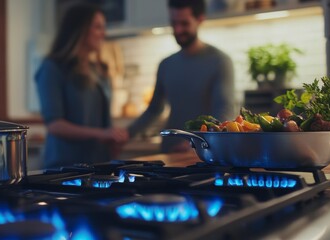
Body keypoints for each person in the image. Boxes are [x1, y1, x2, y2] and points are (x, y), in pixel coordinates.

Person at [128, 0, 235, 153]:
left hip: (204, 152)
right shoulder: (166, 64)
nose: (178, 29)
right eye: (174, 23)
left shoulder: (220, 62)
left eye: (184, 23)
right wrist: (127, 134)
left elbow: (224, 110)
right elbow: (154, 110)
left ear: (200, 19)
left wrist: (195, 142)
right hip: (169, 150)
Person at [35, 3, 129, 168]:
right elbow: (55, 124)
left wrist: (112, 140)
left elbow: (101, 120)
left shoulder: (99, 70)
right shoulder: (53, 68)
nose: (104, 34)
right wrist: (101, 134)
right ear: (80, 30)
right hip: (65, 167)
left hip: (98, 165)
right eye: (98, 27)